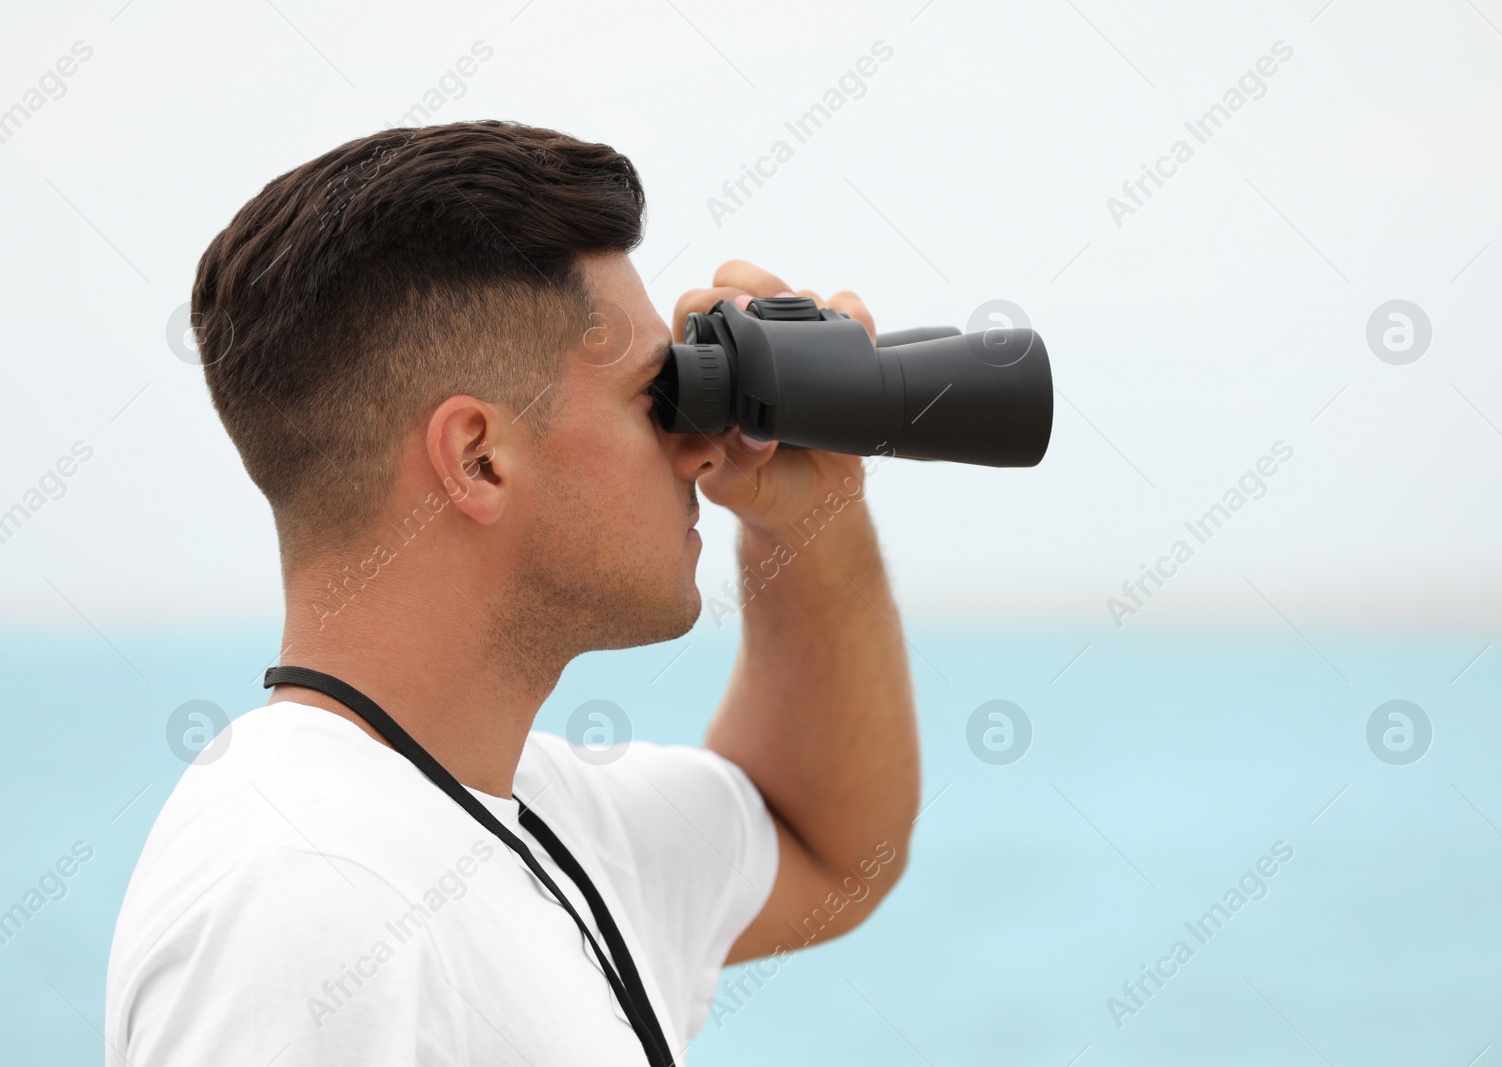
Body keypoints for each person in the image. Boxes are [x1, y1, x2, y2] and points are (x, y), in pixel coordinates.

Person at [104, 119, 919, 1065]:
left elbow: (828, 842)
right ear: (479, 460)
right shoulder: (304, 899)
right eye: (657, 399)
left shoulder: (525, 808)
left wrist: (814, 515)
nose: (702, 447)